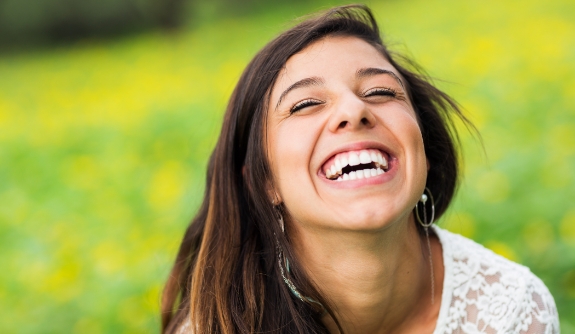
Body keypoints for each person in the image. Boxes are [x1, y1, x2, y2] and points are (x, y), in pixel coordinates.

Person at [161, 5, 559, 333]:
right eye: (305, 104)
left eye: (380, 92)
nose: (354, 110)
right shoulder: (216, 326)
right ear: (264, 182)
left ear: (425, 148)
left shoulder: (512, 309)